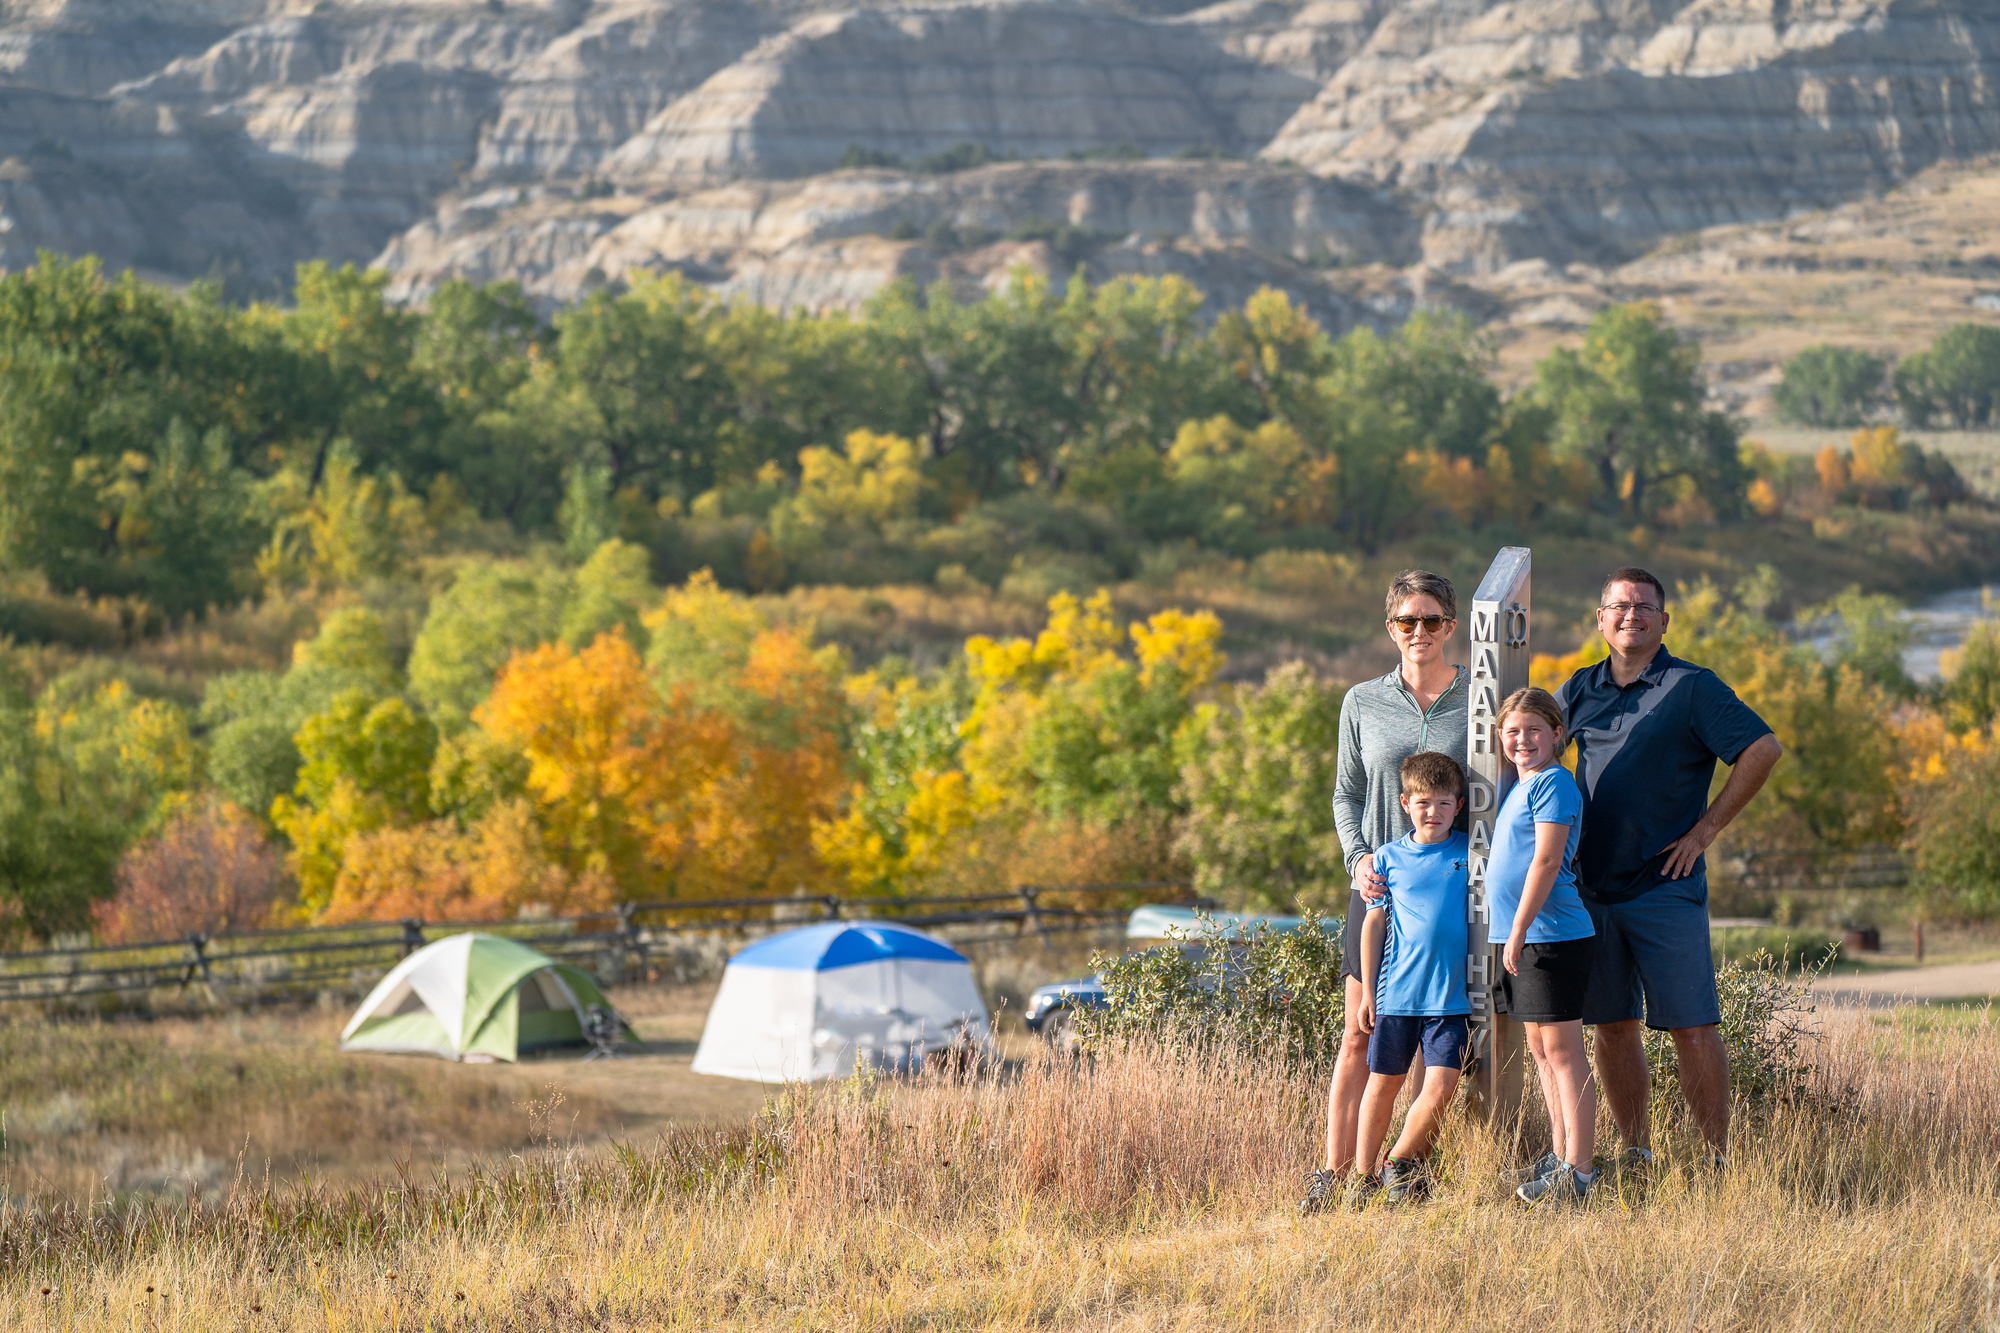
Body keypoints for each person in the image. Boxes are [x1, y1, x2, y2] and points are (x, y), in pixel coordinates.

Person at [1555, 568, 1783, 1168]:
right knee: (1611, 1026)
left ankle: (1714, 1160)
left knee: (1692, 1025)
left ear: (1663, 620)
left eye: (1643, 607)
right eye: (1618, 606)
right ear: (1600, 619)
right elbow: (1524, 744)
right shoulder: (1579, 689)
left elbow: (1762, 749)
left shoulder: (1693, 687)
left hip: (1666, 887)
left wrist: (1705, 831)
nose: (1630, 616)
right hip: (1590, 889)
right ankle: (1637, 1153)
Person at [1301, 570, 1468, 1214]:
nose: (1418, 632)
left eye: (1431, 620)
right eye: (1406, 621)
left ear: (1451, 626)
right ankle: (1335, 1174)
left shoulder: (1479, 699)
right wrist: (1357, 858)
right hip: (1378, 887)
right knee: (1358, 1034)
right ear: (1390, 627)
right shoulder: (1361, 701)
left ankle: (1407, 1168)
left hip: (1450, 888)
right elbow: (1345, 794)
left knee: (1439, 1040)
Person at [1486, 687, 1597, 1205]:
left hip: (1551, 937)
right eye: (1512, 732)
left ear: (1557, 734)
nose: (1522, 740)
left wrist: (1519, 927)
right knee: (1539, 1049)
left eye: (1533, 730)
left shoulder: (1554, 783)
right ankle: (1558, 1155)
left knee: (1563, 1051)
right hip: (1523, 938)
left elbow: (1547, 862)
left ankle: (1580, 1172)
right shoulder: (1520, 784)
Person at [1351, 751, 1472, 1205]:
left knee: (1441, 1086)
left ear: (1458, 805)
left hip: (1451, 999)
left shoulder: (1469, 851)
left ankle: (1396, 1163)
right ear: (1405, 803)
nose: (1433, 813)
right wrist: (1367, 994)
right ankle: (1361, 1179)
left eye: (1443, 803)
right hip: (1397, 995)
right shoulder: (1387, 858)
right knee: (1383, 1083)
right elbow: (1374, 925)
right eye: (1423, 803)